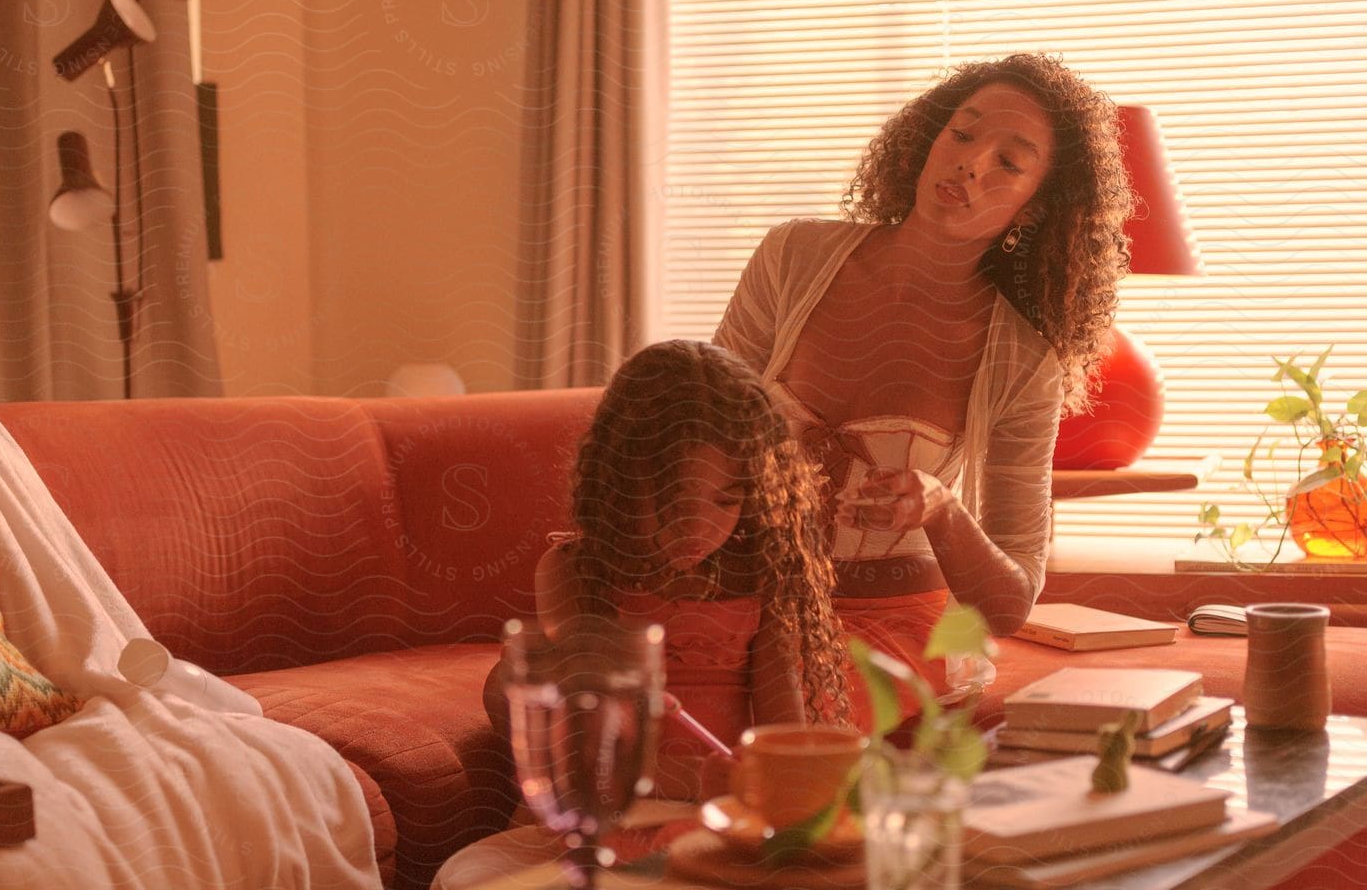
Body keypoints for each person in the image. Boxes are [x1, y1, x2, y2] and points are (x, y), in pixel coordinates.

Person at [713, 52, 1133, 695]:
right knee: (550, 684)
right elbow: (701, 426)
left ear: (1032, 211)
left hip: (898, 626)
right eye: (962, 134)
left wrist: (939, 508)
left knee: (793, 702)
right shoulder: (792, 256)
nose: (970, 162)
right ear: (927, 138)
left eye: (1009, 162)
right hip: (745, 601)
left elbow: (1009, 602)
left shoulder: (1022, 363)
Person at [484, 338, 853, 805]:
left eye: (726, 500)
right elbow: (592, 739)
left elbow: (783, 730)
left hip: (728, 806)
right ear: (621, 480)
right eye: (674, 500)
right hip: (620, 799)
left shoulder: (761, 578)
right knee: (503, 684)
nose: (698, 527)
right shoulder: (575, 571)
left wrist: (784, 782)